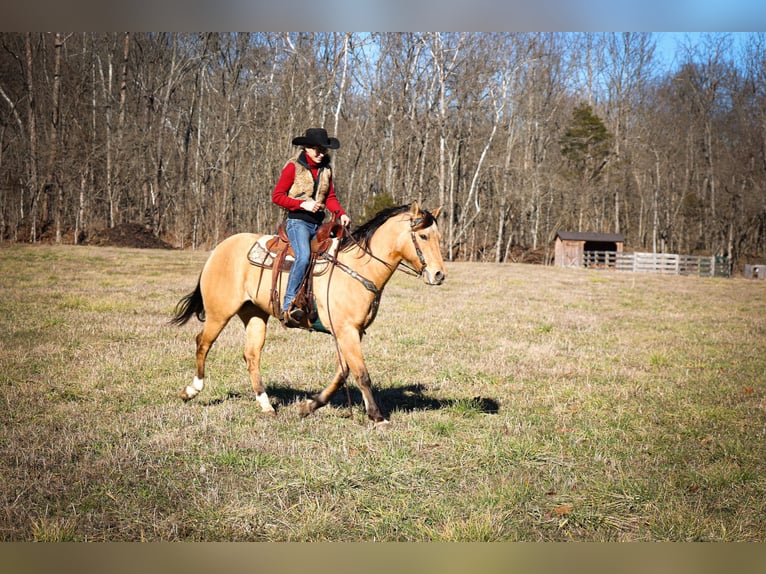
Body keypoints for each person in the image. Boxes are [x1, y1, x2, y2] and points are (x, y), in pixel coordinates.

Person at [271, 128, 351, 327]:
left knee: (336, 256)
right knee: (304, 256)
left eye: (323, 150)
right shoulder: (292, 167)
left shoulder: (326, 169)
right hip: (298, 222)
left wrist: (341, 213)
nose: (321, 154)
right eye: (316, 149)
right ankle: (288, 305)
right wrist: (301, 204)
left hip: (318, 224)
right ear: (306, 148)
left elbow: (330, 197)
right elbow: (277, 196)